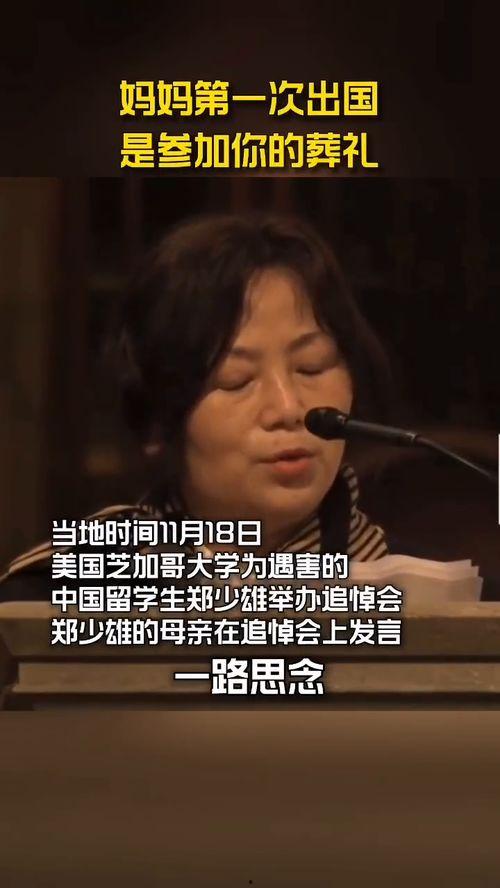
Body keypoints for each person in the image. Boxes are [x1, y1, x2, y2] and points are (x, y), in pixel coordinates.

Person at [0, 213, 392, 601]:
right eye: (236, 379)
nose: (288, 409)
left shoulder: (406, 587)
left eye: (312, 366)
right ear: (156, 418)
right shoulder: (55, 594)